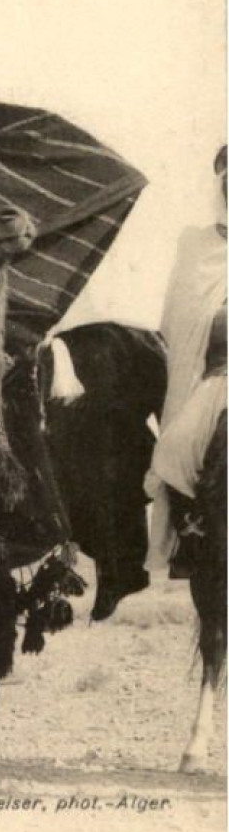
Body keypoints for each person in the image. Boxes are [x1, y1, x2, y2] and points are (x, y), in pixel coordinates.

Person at [147, 147, 229, 577]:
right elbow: (178, 327)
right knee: (176, 448)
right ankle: (192, 540)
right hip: (217, 380)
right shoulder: (196, 246)